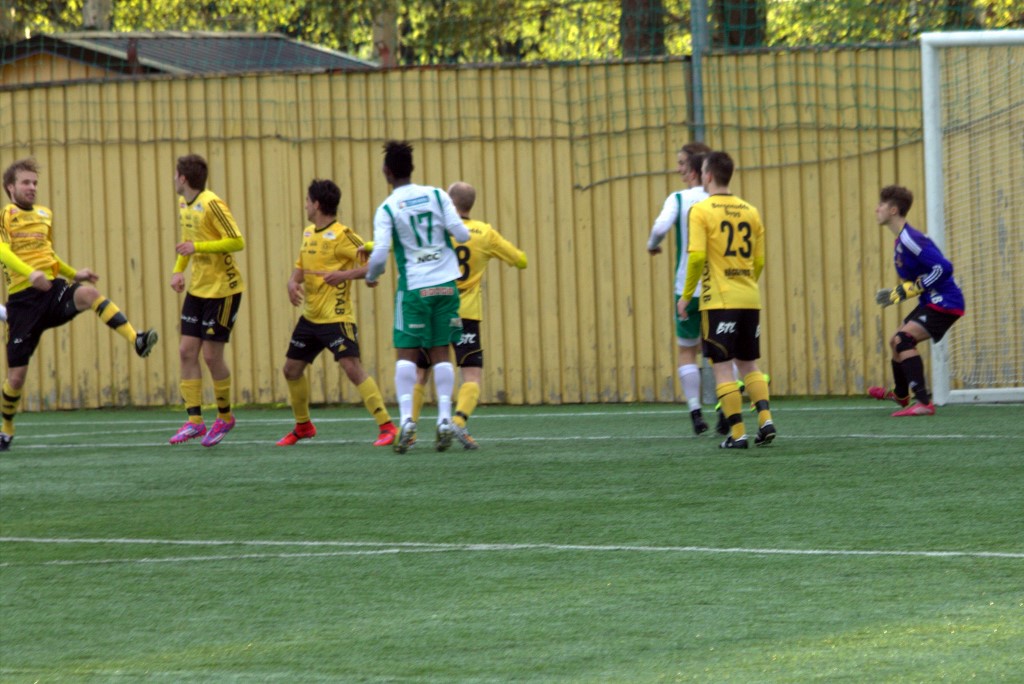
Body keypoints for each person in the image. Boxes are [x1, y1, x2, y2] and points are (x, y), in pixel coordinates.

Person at [0, 158, 158, 451]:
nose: (32, 187)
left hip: (51, 290)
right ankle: (6, 428)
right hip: (23, 303)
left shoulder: (45, 215)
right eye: (26, 182)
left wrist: (74, 274)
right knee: (16, 378)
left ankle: (136, 339)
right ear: (11, 187)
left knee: (88, 294)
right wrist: (30, 273)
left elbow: (49, 255)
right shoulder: (6, 215)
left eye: (35, 183)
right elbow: (2, 250)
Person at [365, 140, 470, 454]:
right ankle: (444, 420)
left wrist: (371, 276)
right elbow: (462, 234)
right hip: (446, 286)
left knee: (406, 354)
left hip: (415, 288)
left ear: (387, 172)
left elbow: (380, 253)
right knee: (441, 352)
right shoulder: (437, 195)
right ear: (411, 168)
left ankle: (407, 421)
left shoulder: (387, 208)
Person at [277, 178, 398, 447]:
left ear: (317, 204)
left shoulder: (344, 235)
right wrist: (292, 282)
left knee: (351, 367)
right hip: (310, 318)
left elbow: (374, 265)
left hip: (336, 318)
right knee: (291, 370)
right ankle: (303, 426)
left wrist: (345, 275)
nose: (305, 206)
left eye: (307, 201)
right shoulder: (308, 233)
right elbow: (301, 268)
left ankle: (387, 426)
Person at [409, 181, 528, 449]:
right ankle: (459, 421)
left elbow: (399, 246)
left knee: (421, 372)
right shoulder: (484, 233)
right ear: (470, 204)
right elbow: (520, 260)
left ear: (449, 203)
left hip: (434, 310)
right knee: (471, 375)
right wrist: (515, 257)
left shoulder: (435, 230)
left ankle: (410, 428)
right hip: (466, 315)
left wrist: (370, 246)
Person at [680, 151, 775, 449]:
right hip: (749, 297)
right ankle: (766, 420)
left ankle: (737, 435)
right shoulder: (750, 210)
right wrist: (745, 282)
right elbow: (759, 261)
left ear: (707, 175)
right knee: (749, 364)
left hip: (719, 302)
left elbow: (696, 257)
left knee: (722, 366)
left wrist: (686, 296)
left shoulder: (700, 210)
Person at [168, 153, 245, 447]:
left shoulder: (212, 203)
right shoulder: (183, 204)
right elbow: (186, 244)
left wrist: (197, 247)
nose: (174, 180)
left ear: (183, 178)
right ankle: (195, 422)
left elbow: (237, 240)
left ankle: (225, 417)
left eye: (175, 175)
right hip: (198, 289)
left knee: (212, 356)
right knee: (186, 351)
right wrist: (178, 271)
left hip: (223, 291)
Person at [868, 185, 965, 416]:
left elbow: (943, 268)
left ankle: (923, 402)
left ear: (893, 210)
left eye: (881, 205)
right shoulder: (901, 241)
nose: (877, 209)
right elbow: (920, 279)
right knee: (894, 341)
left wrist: (915, 288)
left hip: (946, 302)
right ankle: (901, 395)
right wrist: (899, 293)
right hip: (930, 300)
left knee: (903, 340)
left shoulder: (910, 238)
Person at [646, 142, 711, 435]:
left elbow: (660, 228)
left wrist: (652, 245)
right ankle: (727, 410)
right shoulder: (719, 200)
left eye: (682, 163)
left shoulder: (679, 199)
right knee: (724, 353)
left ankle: (695, 411)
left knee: (687, 351)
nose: (678, 169)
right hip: (717, 288)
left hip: (686, 288)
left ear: (695, 170)